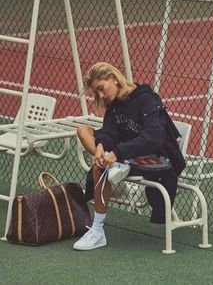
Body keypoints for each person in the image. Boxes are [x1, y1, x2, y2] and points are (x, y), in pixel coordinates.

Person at [73, 62, 185, 251]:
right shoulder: (115, 104)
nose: (101, 95)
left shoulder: (146, 99)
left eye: (101, 88)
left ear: (113, 78)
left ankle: (115, 166)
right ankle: (98, 231)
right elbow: (109, 131)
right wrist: (101, 146)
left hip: (158, 158)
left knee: (102, 167)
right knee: (84, 132)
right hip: (127, 154)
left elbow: (154, 137)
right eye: (96, 92)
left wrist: (118, 153)